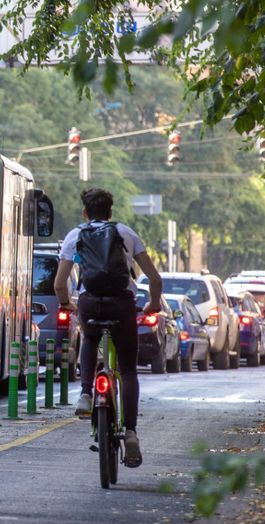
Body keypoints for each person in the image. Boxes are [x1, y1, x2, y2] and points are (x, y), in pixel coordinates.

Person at [54, 188, 162, 467]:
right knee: (127, 370)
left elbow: (59, 283)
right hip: (123, 305)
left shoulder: (75, 235)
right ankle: (131, 432)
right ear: (111, 212)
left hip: (91, 304)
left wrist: (67, 304)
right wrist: (152, 304)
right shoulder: (126, 233)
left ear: (85, 212)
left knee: (89, 339)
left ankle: (87, 393)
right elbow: (154, 278)